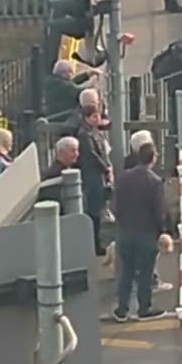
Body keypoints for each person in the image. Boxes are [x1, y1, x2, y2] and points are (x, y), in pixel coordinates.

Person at [112, 143, 170, 322]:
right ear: (153, 158)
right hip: (146, 233)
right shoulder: (154, 182)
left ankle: (122, 309)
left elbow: (114, 205)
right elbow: (159, 210)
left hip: (125, 231)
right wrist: (163, 230)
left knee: (126, 272)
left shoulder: (123, 178)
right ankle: (144, 308)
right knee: (145, 272)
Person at [76, 103, 113, 257]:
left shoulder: (94, 132)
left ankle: (97, 243)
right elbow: (92, 155)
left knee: (98, 209)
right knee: (94, 210)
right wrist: (105, 167)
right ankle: (94, 244)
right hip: (92, 176)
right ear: (86, 118)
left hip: (98, 175)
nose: (98, 119)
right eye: (94, 116)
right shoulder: (85, 135)